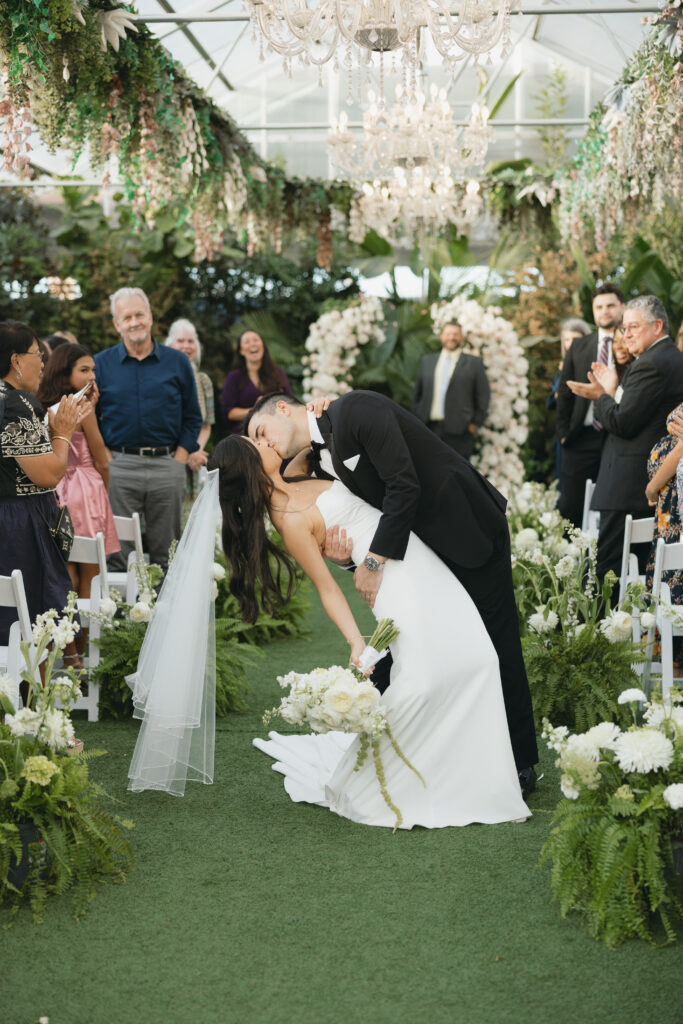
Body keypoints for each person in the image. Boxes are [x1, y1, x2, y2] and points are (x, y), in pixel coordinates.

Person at [206, 435, 530, 829]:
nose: (267, 441)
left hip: (415, 556)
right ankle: (388, 782)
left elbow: (320, 438)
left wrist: (323, 415)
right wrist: (356, 641)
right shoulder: (288, 520)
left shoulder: (295, 471)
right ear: (249, 465)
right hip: (392, 582)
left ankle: (477, 767)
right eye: (256, 444)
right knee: (423, 679)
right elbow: (327, 589)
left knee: (479, 654)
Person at [568, 295, 683, 582]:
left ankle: (599, 626)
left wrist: (601, 396)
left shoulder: (651, 364)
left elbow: (622, 421)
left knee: (609, 570)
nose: (626, 334)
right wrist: (612, 389)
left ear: (657, 326)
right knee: (640, 572)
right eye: (624, 328)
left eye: (633, 327)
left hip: (628, 484)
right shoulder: (671, 358)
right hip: (647, 481)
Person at [0, 321, 94, 654]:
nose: (42, 364)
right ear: (15, 360)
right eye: (37, 355)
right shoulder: (16, 403)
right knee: (31, 622)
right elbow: (49, 474)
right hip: (20, 522)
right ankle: (28, 701)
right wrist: (64, 431)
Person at [94, 288, 202, 570]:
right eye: (126, 317)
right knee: (118, 555)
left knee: (168, 553)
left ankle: (167, 614)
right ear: (117, 324)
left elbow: (193, 416)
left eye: (139, 314)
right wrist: (106, 459)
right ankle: (119, 613)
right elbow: (90, 419)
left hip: (167, 465)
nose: (134, 322)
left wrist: (178, 461)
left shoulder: (177, 362)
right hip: (119, 467)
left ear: (150, 317)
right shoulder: (100, 364)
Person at [37, 343, 120, 652]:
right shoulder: (80, 409)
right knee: (90, 572)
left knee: (64, 572)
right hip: (85, 490)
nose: (92, 376)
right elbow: (101, 459)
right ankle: (84, 650)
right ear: (65, 372)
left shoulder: (41, 406)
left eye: (94, 369)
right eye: (84, 370)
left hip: (54, 490)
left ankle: (66, 648)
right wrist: (104, 491)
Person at [555, 283, 625, 527]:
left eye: (610, 305)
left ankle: (603, 562)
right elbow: (563, 392)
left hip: (616, 436)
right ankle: (569, 561)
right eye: (599, 306)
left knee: (610, 510)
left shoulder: (630, 345)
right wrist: (563, 433)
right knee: (570, 507)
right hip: (580, 437)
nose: (604, 311)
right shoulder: (578, 346)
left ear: (622, 307)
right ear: (593, 311)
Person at [412, 321, 490, 461]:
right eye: (448, 334)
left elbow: (483, 395)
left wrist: (475, 424)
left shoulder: (474, 363)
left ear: (461, 337)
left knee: (456, 477)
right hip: (429, 429)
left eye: (455, 334)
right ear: (441, 336)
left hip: (460, 432)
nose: (451, 337)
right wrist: (418, 418)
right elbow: (418, 393)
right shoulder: (427, 361)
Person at [644, 403, 683, 675]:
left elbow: (681, 449)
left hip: (675, 511)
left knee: (674, 596)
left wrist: (652, 486)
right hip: (669, 511)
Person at [165, 319, 214, 495]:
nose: (186, 346)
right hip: (167, 460)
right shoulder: (162, 379)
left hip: (195, 461)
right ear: (170, 344)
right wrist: (185, 454)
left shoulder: (203, 381)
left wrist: (195, 451)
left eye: (190, 341)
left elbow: (206, 425)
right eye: (180, 341)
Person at [220, 330, 293, 434]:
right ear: (241, 351)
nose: (252, 344)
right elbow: (230, 413)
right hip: (245, 435)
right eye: (247, 342)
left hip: (278, 432)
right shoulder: (234, 377)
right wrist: (257, 409)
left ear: (262, 345)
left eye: (255, 340)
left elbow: (291, 402)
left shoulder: (278, 373)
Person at [547, 318, 592, 483]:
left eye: (574, 339)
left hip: (581, 431)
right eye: (566, 339)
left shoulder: (590, 365)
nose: (570, 344)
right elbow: (552, 400)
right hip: (563, 428)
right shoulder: (562, 366)